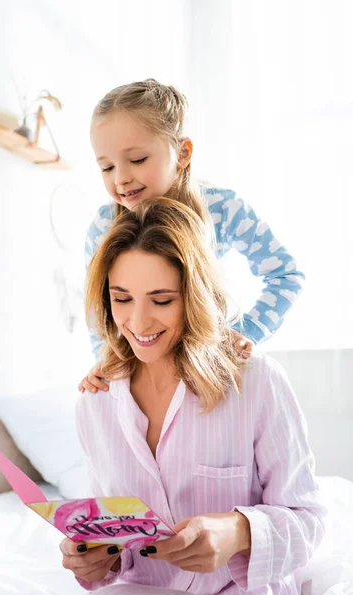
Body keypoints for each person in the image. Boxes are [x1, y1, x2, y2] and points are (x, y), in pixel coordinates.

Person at [61, 198, 324, 595]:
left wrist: (238, 533)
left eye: (162, 300)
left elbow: (310, 522)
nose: (139, 322)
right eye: (122, 298)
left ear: (195, 295)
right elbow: (121, 539)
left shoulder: (255, 383)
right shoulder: (94, 403)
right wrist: (98, 558)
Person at [79, 78, 305, 394]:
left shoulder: (222, 207)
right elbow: (96, 307)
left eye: (138, 159)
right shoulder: (104, 225)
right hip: (142, 379)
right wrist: (106, 360)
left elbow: (287, 274)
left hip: (206, 372)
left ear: (183, 152)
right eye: (106, 167)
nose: (121, 178)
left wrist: (244, 332)